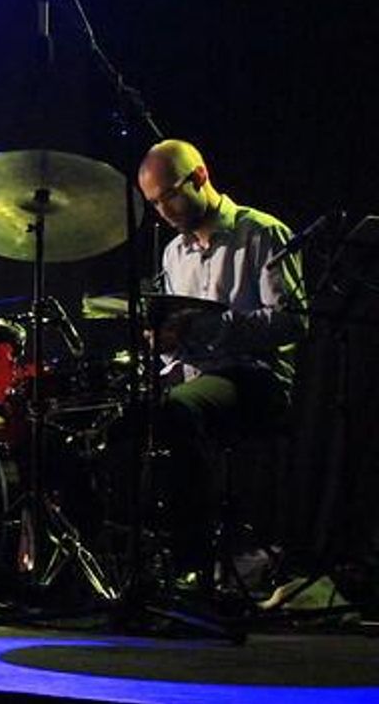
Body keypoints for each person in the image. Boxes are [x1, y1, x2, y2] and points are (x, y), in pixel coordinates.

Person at [136, 138, 307, 581]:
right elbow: (184, 340)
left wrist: (209, 328)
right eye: (154, 203)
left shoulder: (263, 233)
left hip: (258, 379)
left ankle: (193, 564)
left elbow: (292, 322)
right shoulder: (174, 252)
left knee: (178, 411)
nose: (163, 211)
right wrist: (167, 341)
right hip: (199, 375)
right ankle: (141, 566)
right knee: (125, 423)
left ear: (199, 177)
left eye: (168, 196)